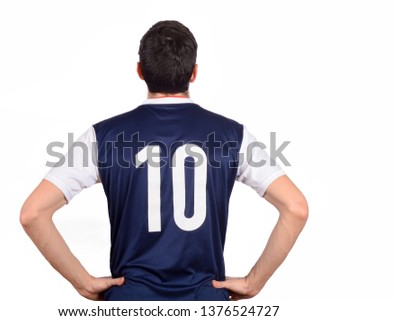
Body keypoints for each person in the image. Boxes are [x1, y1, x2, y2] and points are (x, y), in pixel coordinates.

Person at [20, 20, 308, 301]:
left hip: (130, 301)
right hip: (203, 300)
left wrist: (83, 283)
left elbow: (33, 214)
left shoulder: (102, 136)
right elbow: (295, 208)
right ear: (193, 73)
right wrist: (253, 282)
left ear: (140, 71)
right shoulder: (233, 135)